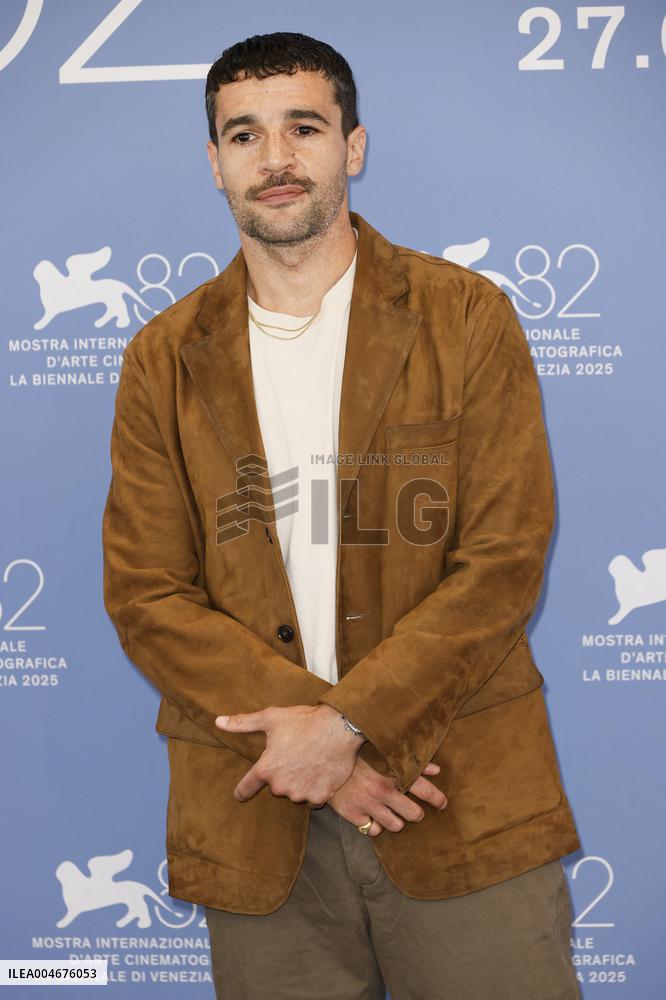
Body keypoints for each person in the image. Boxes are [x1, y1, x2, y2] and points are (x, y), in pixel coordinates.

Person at [102, 30, 582, 1000]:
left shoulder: (466, 317)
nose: (275, 160)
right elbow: (147, 592)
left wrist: (350, 724)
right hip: (260, 824)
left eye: (303, 128)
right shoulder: (162, 357)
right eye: (244, 135)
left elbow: (503, 558)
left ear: (352, 147)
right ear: (214, 162)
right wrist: (315, 748)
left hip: (456, 797)